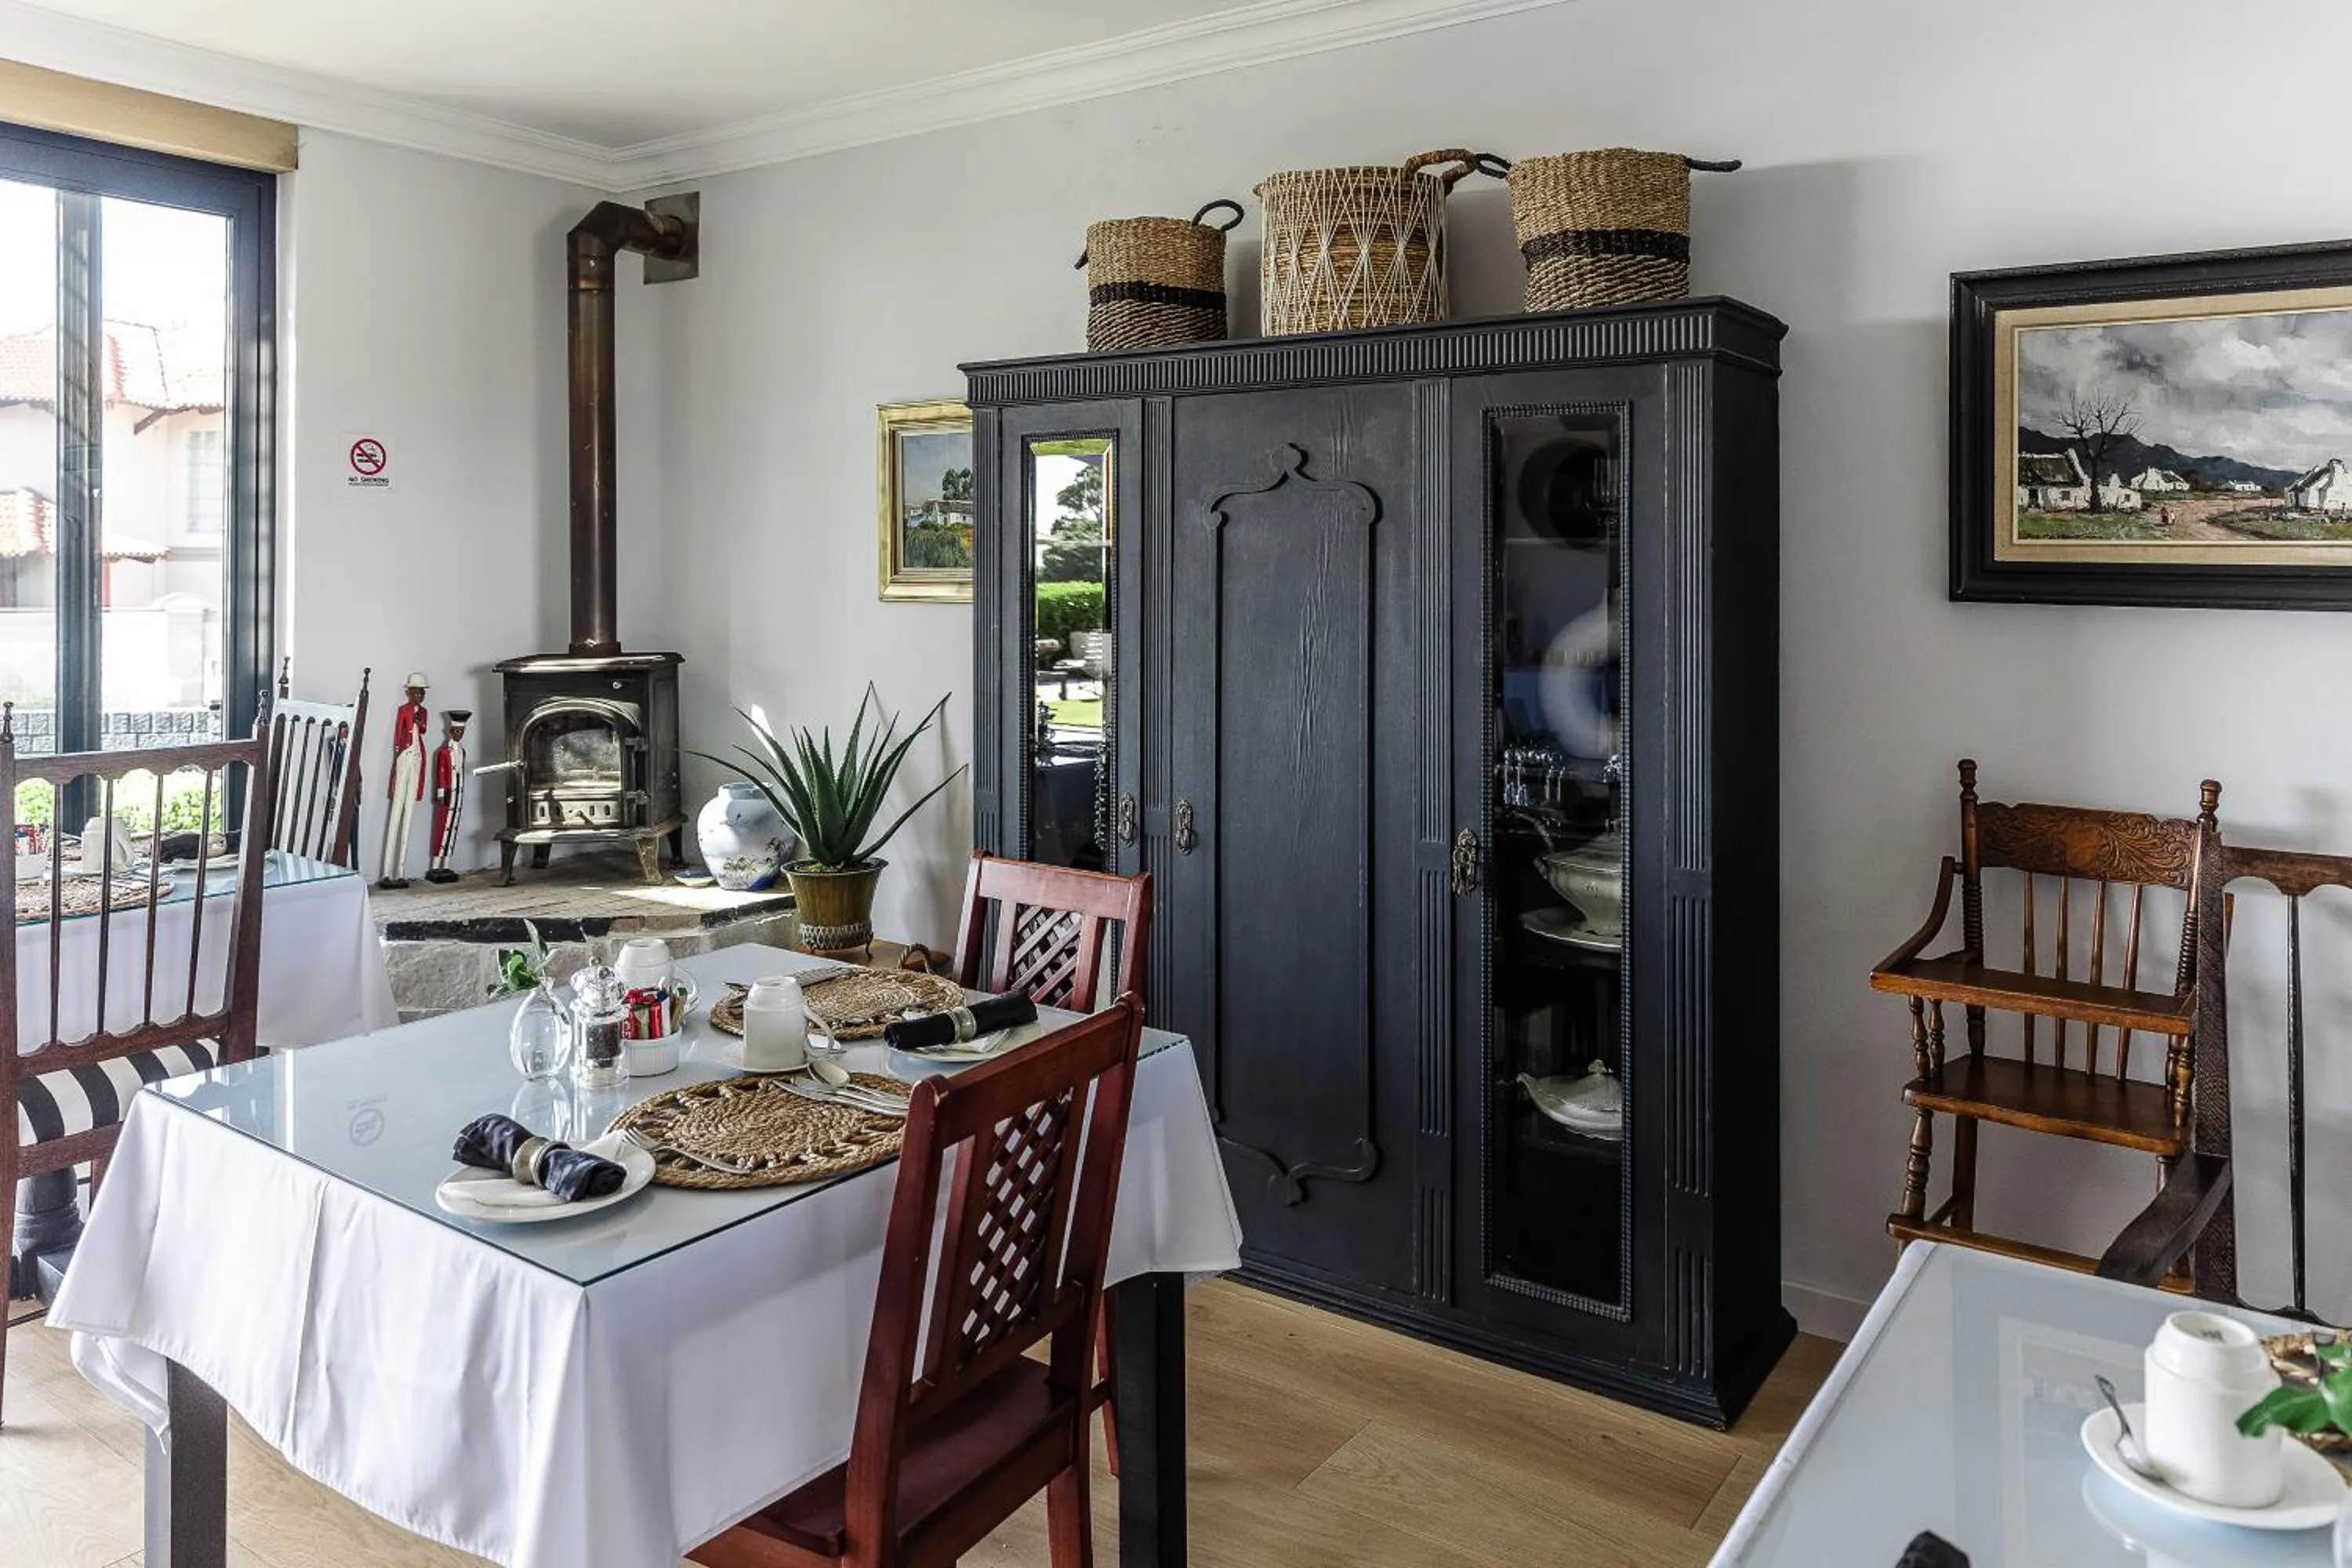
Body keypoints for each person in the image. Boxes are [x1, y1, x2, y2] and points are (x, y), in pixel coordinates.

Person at [377, 672, 429, 888]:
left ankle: (401, 870)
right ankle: (387, 872)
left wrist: (419, 722)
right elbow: (398, 736)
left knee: (409, 813)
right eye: (415, 691)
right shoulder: (403, 710)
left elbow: (424, 730)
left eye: (421, 692)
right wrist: (399, 756)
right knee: (397, 811)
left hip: (417, 758)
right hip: (405, 758)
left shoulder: (423, 712)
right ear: (408, 692)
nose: (418, 695)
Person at [426, 709, 471, 884]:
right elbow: (441, 773)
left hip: (458, 793)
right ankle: (436, 864)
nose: (459, 734)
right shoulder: (444, 752)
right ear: (451, 731)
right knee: (442, 828)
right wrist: (440, 793)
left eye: (462, 731)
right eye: (457, 731)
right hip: (447, 794)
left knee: (453, 828)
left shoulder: (463, 751)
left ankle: (447, 863)